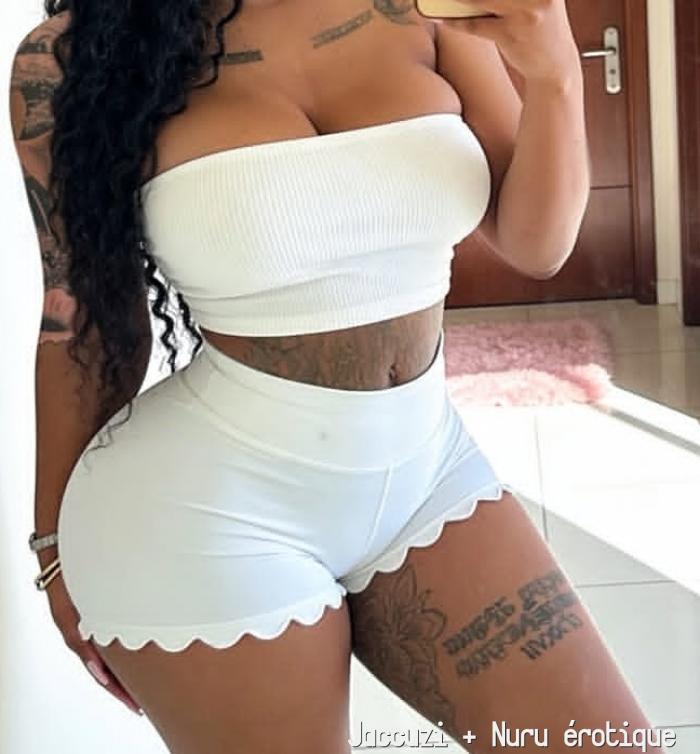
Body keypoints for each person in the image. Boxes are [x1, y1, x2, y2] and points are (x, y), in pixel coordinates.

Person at [10, 1, 666, 752]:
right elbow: (83, 323)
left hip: (426, 473)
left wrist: (555, 76)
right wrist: (53, 546)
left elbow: (536, 244)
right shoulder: (74, 59)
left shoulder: (424, 9)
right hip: (205, 513)